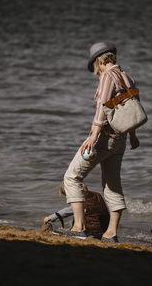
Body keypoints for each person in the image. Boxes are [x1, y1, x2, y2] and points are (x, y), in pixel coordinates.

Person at [54, 42, 139, 242]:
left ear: (98, 62)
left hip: (103, 137)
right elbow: (132, 110)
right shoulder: (128, 78)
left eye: (94, 66)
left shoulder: (107, 77)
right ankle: (111, 233)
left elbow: (102, 108)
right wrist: (133, 135)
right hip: (121, 140)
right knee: (112, 186)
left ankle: (78, 227)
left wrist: (93, 135)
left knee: (72, 176)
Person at [44, 182, 110, 239]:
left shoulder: (80, 199)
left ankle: (76, 231)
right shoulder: (97, 195)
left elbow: (67, 211)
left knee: (78, 213)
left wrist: (51, 217)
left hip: (90, 231)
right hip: (104, 229)